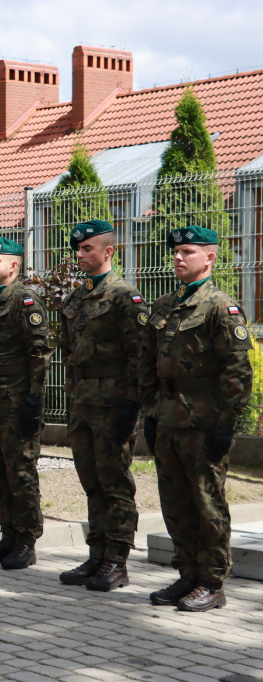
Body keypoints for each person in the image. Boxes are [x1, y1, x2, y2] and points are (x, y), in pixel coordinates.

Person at [143, 225, 253, 612]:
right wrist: (150, 413)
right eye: (175, 251)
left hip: (204, 422)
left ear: (210, 257)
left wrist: (225, 423)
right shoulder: (164, 305)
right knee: (174, 502)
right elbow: (149, 366)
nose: (178, 257)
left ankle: (212, 581)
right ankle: (187, 573)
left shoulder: (221, 307)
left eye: (187, 251)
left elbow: (238, 372)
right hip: (168, 419)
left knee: (207, 502)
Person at [58, 220, 150, 592]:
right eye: (77, 249)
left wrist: (132, 406)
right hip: (82, 404)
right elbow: (69, 354)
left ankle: (117, 560)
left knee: (115, 484)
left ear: (108, 251)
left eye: (88, 249)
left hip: (113, 405)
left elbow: (141, 356)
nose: (80, 255)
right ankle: (97, 555)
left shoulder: (125, 297)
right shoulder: (75, 299)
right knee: (91, 482)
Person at [0, 238, 52, 571]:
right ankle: (8, 535)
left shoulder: (26, 300)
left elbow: (39, 351)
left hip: (16, 399)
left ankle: (27, 541)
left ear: (13, 266)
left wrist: (34, 399)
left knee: (20, 470)